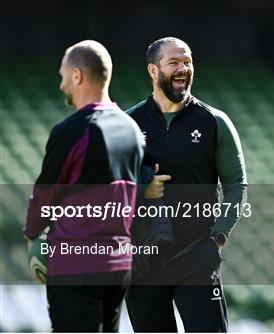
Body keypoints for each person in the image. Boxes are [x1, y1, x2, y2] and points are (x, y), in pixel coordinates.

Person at [125, 37, 248, 332]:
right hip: (143, 262)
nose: (183, 69)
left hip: (195, 256)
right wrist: (143, 189)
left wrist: (217, 239)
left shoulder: (214, 121)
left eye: (188, 62)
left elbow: (236, 185)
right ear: (153, 70)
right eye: (174, 63)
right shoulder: (126, 124)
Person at [24, 40, 145, 332]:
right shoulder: (133, 130)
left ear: (77, 76)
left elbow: (44, 196)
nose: (61, 84)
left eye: (63, 76)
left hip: (76, 267)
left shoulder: (72, 130)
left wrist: (32, 237)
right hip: (119, 266)